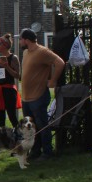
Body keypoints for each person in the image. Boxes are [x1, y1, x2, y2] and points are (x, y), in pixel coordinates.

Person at [19, 28, 64, 160]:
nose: (20, 42)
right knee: (31, 127)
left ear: (26, 40)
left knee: (42, 125)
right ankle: (35, 150)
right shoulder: (26, 52)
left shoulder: (42, 52)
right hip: (26, 97)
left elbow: (60, 63)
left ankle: (47, 151)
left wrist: (53, 80)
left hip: (38, 96)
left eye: (21, 39)